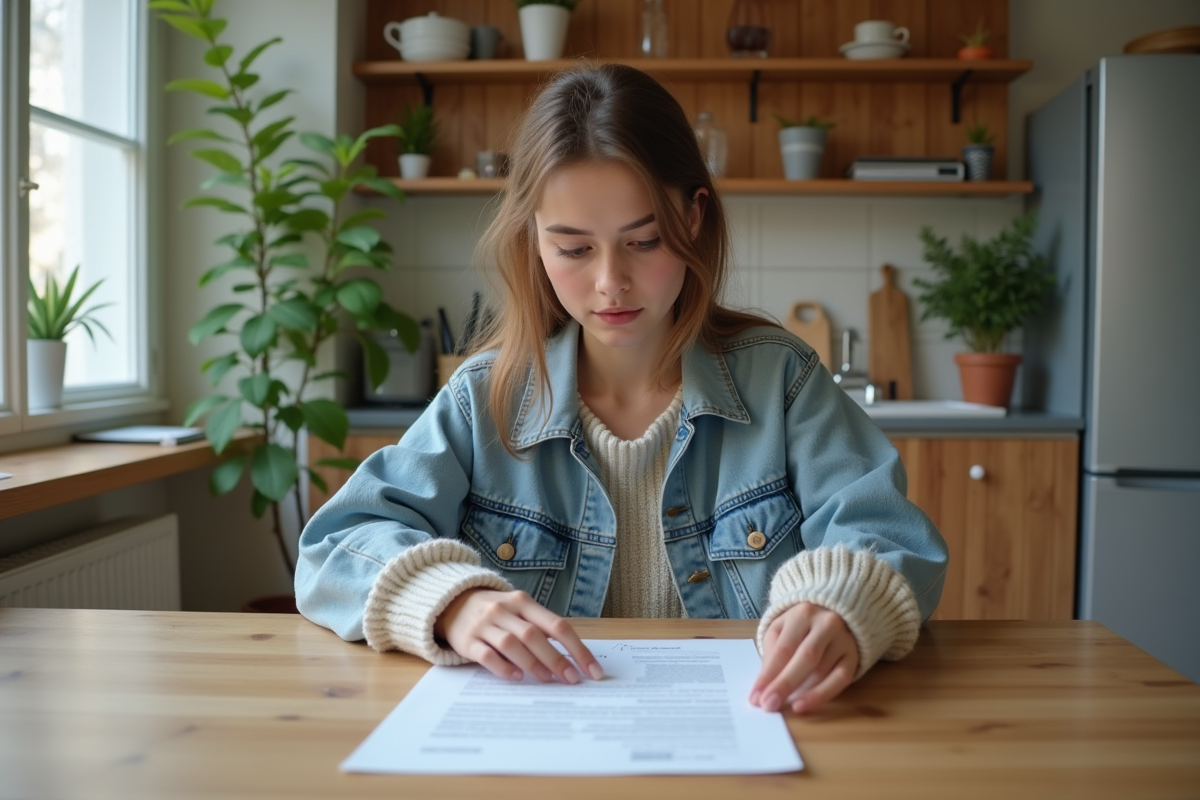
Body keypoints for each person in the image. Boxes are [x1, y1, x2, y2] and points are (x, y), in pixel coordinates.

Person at [296, 63, 948, 715]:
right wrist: (452, 601)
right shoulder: (481, 398)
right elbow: (335, 547)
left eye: (644, 240)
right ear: (533, 241)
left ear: (694, 218)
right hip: (539, 745)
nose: (611, 281)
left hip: (751, 733)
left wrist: (842, 599)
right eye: (574, 250)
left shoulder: (783, 380)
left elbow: (888, 535)